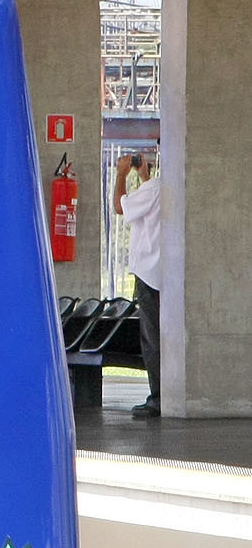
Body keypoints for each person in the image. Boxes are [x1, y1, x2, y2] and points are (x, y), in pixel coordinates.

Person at [113, 150, 162, 419]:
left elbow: (120, 207)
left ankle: (158, 399)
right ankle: (163, 394)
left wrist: (121, 174)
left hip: (148, 271)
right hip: (164, 272)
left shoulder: (154, 188)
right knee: (159, 336)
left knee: (151, 338)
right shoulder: (160, 187)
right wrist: (143, 176)